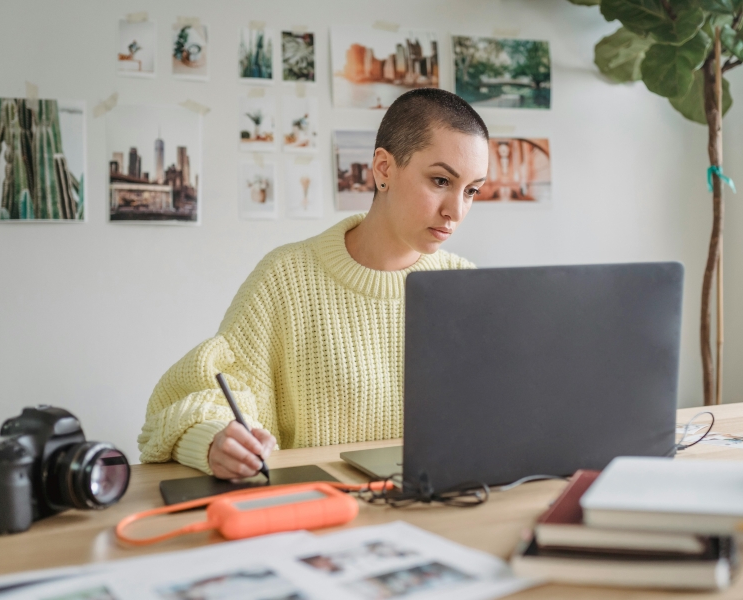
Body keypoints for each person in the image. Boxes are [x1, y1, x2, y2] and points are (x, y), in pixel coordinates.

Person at [138, 89, 490, 479]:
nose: (456, 211)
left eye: (471, 190)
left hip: (441, 514)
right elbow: (186, 401)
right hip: (321, 519)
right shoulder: (286, 278)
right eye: (441, 180)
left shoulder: (464, 286)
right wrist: (213, 440)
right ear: (384, 169)